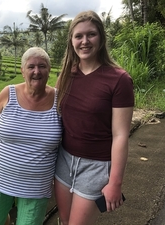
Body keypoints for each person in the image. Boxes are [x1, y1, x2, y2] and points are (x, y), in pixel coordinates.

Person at [54, 10, 134, 225]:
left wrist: (115, 182)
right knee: (63, 219)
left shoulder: (119, 80)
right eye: (78, 36)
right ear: (71, 41)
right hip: (64, 160)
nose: (84, 41)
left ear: (101, 38)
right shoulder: (66, 75)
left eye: (91, 34)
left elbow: (120, 135)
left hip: (96, 166)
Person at [0, 47, 63, 225]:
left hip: (36, 187)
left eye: (42, 66)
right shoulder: (8, 93)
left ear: (49, 70)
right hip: (1, 178)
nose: (36, 71)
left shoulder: (59, 100)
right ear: (22, 70)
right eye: (31, 66)